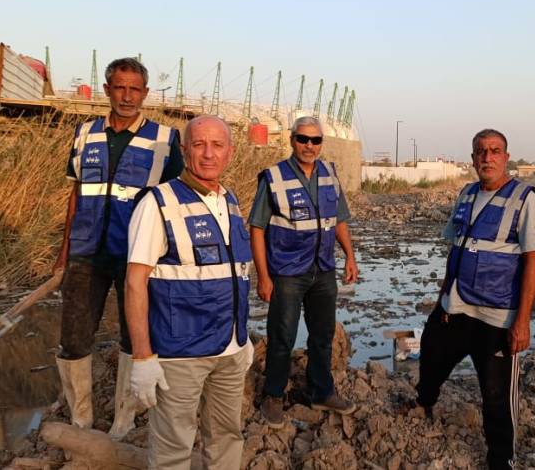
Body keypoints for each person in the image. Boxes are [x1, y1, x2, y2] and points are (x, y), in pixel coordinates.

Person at [54, 57, 183, 438]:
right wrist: (63, 252)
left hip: (137, 256)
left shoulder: (165, 139)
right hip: (86, 252)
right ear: (107, 90)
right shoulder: (85, 134)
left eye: (134, 89)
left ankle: (123, 423)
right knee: (73, 338)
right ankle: (81, 420)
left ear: (145, 93)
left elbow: (173, 201)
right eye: (120, 88)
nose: (127, 96)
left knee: (133, 335)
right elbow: (76, 194)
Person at [124, 115, 254, 470]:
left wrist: (242, 337)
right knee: (173, 450)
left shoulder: (230, 201)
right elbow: (135, 282)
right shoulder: (158, 203)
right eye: (199, 145)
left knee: (227, 437)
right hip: (180, 354)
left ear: (230, 152)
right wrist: (142, 357)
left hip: (229, 350)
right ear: (184, 151)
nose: (208, 154)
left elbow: (234, 273)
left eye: (217, 145)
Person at [413, 128, 535, 470]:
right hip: (456, 308)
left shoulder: (524, 199)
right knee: (430, 354)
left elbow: (533, 261)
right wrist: (442, 299)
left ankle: (501, 461)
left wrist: (522, 321)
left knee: (497, 398)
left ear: (506, 157)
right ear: (472, 158)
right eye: (481, 151)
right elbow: (455, 250)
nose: (488, 157)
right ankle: (424, 403)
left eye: (495, 151)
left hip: (496, 318)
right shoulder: (467, 195)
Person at [249, 115, 359, 428]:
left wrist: (350, 257)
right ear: (292, 140)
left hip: (323, 270)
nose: (309, 146)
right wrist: (263, 276)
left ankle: (321, 391)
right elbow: (257, 228)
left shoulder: (329, 174)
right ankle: (273, 395)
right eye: (303, 139)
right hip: (287, 272)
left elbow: (339, 220)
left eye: (315, 140)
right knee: (281, 336)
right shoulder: (274, 177)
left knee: (322, 335)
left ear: (321, 143)